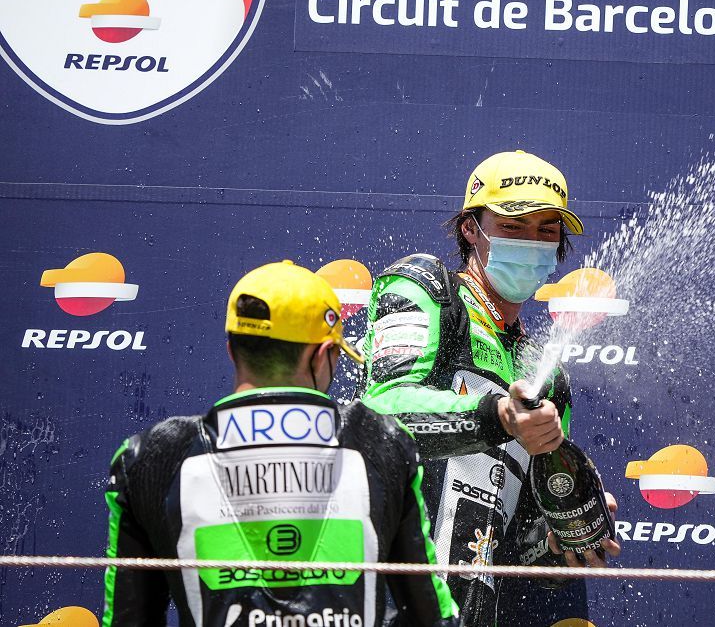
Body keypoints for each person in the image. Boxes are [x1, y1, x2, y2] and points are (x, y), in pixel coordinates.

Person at [101, 260, 459, 627]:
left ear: (232, 350)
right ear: (322, 356)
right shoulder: (382, 442)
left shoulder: (150, 457)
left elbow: (129, 620)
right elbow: (432, 617)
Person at [359, 151, 620, 626]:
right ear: (470, 229)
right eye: (514, 226)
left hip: (472, 614)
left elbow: (525, 551)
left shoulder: (547, 376)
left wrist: (564, 534)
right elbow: (379, 415)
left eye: (547, 230)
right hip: (383, 597)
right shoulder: (429, 290)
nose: (532, 242)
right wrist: (497, 416)